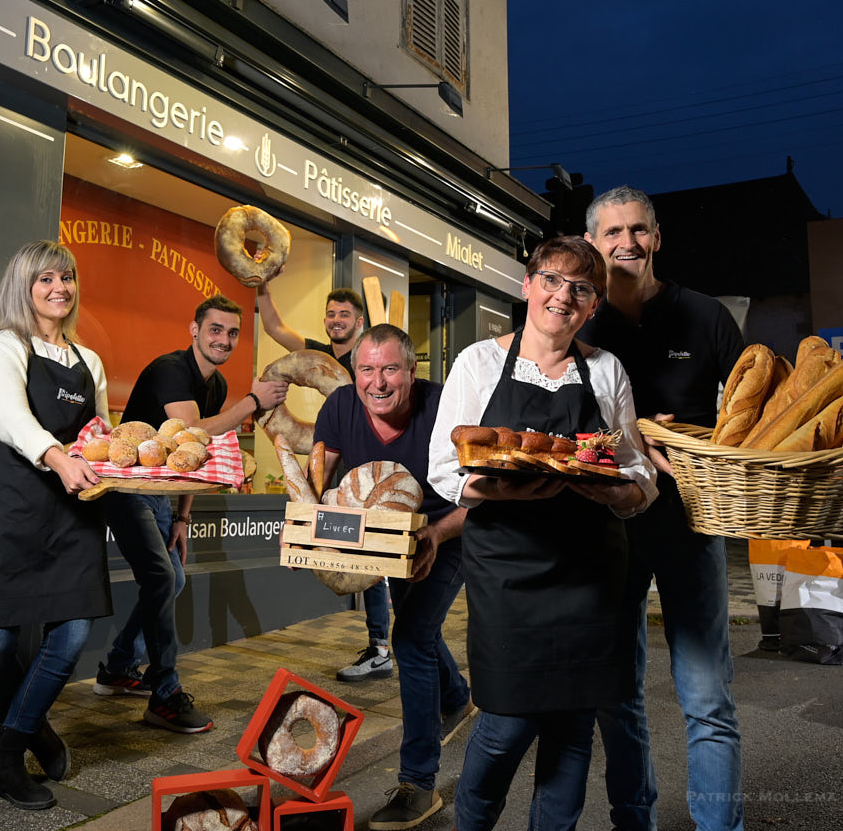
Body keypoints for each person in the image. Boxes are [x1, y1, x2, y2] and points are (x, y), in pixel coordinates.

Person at [428, 235, 659, 831]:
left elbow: (637, 473)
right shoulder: (479, 362)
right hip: (508, 572)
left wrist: (615, 491)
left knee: (574, 728)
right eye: (551, 280)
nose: (564, 296)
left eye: (581, 289)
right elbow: (445, 470)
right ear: (527, 285)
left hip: (589, 573)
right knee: (506, 724)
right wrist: (499, 489)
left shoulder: (605, 369)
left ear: (593, 305)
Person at [581, 186, 744, 831]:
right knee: (617, 696)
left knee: (707, 698)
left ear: (657, 236)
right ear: (592, 242)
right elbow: (560, 430)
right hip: (609, 529)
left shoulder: (706, 318)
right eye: (613, 231)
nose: (627, 242)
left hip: (691, 524)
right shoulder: (577, 323)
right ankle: (633, 821)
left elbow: (750, 418)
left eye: (639, 229)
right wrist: (628, 435)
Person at [0, 240, 110, 811]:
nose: (59, 289)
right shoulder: (0, 347)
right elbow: (11, 417)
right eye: (45, 279)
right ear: (24, 287)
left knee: (69, 633)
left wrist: (119, 462)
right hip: (9, 509)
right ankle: (34, 726)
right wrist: (59, 457)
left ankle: (4, 758)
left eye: (66, 278)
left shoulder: (89, 361)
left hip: (72, 513)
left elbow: (98, 434)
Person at [95, 294, 288, 733]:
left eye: (232, 332)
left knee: (173, 578)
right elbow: (192, 432)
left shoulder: (215, 385)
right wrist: (251, 404)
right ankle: (164, 695)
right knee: (163, 578)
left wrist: (182, 520)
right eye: (215, 329)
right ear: (195, 330)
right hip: (126, 489)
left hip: (162, 495)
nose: (224, 339)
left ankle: (116, 668)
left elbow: (193, 457)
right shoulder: (171, 371)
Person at [313, 324, 472, 830]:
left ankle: (418, 784)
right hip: (383, 532)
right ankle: (455, 698)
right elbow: (324, 482)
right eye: (366, 369)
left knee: (410, 640)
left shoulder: (444, 405)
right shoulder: (340, 406)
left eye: (389, 369)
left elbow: (478, 494)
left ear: (411, 371)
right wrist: (313, 527)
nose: (377, 382)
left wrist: (435, 535)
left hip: (444, 530)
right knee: (415, 629)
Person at [257, 282, 391, 682]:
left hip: (366, 469)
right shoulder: (314, 354)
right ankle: (383, 643)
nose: (336, 321)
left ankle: (382, 646)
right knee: (357, 557)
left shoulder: (368, 356)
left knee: (374, 559)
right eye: (331, 314)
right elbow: (275, 327)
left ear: (359, 321)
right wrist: (262, 284)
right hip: (330, 466)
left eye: (344, 315)